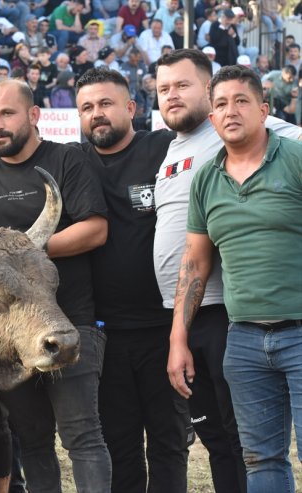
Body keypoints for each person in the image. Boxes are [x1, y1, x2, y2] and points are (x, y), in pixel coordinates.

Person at [157, 48, 302, 493]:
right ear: (211, 115)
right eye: (220, 103)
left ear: (263, 110)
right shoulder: (206, 178)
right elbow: (195, 263)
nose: (229, 111)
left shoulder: (294, 158)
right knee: (260, 459)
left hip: (300, 330)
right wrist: (178, 339)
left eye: (241, 101)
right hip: (243, 339)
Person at [0, 79, 111, 493]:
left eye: (7, 114)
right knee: (32, 441)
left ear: (33, 115)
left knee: (82, 437)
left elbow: (96, 230)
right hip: (12, 338)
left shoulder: (67, 160)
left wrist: (18, 254)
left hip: (72, 322)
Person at [73, 67, 193, 493]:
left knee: (169, 443)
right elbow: (12, 157)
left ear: (131, 107)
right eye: (87, 107)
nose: (97, 114)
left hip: (165, 329)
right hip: (104, 335)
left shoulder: (163, 147)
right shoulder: (74, 161)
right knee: (118, 445)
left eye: (106, 104)